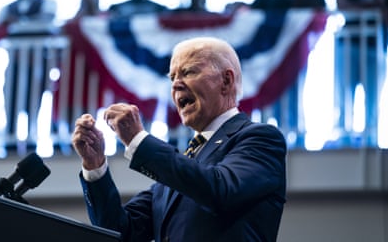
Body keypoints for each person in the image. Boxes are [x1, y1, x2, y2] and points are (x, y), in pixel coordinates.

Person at [72, 37, 287, 242]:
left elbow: (220, 191)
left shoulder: (260, 139)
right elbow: (119, 232)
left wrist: (138, 140)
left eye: (188, 72)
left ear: (226, 80)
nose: (175, 85)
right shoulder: (180, 167)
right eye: (172, 77)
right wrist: (95, 166)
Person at [335, 0, 388, 147]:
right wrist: (371, 5)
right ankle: (343, 138)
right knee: (343, 95)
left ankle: (371, 140)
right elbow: (344, 7)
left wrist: (379, 4)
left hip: (375, 49)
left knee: (372, 98)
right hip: (349, 46)